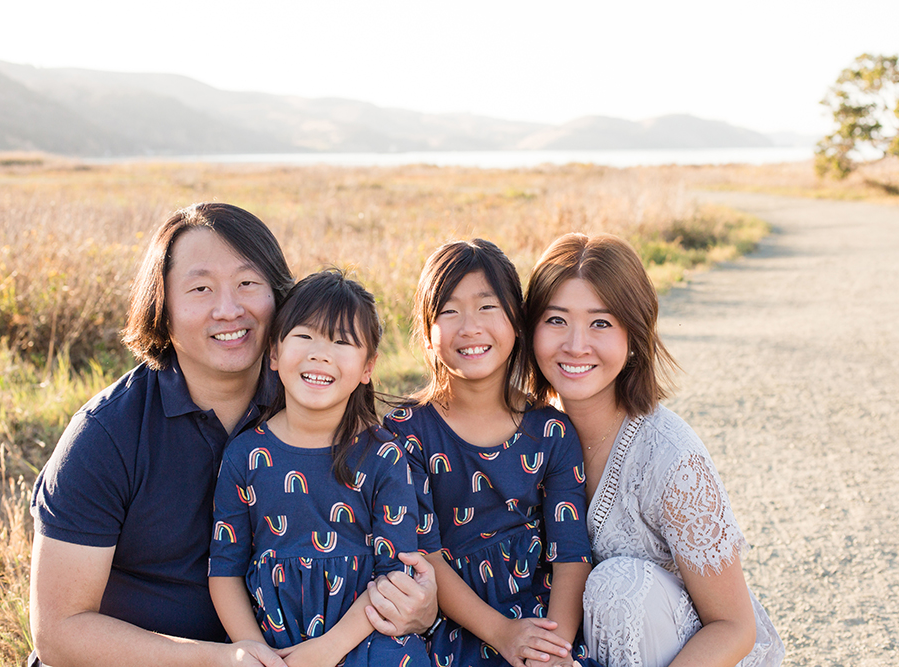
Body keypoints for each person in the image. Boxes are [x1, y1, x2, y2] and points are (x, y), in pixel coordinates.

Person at [29, 203, 437, 667]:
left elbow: (399, 559)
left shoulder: (314, 398)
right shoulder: (106, 434)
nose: (228, 310)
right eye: (200, 288)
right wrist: (223, 659)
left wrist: (420, 608)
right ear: (162, 306)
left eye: (247, 284)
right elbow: (57, 634)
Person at [525, 233, 785, 667]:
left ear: (634, 334)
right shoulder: (528, 432)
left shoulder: (669, 457)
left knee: (618, 586)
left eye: (601, 323)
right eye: (556, 320)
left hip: (698, 656)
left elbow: (735, 628)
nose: (575, 344)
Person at [384, 239, 596, 667]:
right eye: (449, 310)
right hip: (452, 626)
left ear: (517, 323)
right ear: (427, 336)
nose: (470, 327)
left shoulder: (551, 431)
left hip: (542, 623)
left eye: (487, 307)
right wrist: (502, 633)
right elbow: (424, 553)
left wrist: (551, 650)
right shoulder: (406, 434)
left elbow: (571, 554)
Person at [209, 269, 430, 667]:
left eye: (341, 341)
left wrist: (328, 649)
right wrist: (254, 650)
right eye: (304, 336)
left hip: (364, 632)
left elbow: (395, 574)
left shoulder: (383, 456)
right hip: (271, 638)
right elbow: (225, 570)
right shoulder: (245, 455)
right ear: (274, 353)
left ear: (367, 367)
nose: (320, 353)